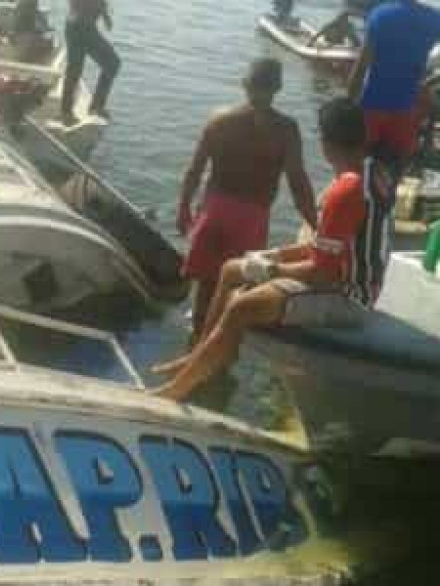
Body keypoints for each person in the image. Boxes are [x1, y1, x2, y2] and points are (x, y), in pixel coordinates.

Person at [154, 97, 395, 402]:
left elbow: (322, 274)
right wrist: (275, 255)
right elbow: (327, 247)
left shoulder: (345, 191)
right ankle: (198, 358)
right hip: (349, 279)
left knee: (241, 306)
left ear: (326, 143)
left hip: (348, 298)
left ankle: (179, 388)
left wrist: (269, 270)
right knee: (230, 269)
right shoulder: (377, 171)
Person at [177, 58, 317, 342]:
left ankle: (194, 344)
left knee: (205, 288)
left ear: (244, 84)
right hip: (251, 218)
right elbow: (298, 184)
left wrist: (183, 208)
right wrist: (317, 225)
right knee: (234, 293)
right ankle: (216, 350)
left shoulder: (220, 121)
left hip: (214, 212)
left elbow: (194, 170)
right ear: (278, 87)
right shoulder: (286, 130)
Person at [348, 0, 440, 162]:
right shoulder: (433, 19)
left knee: (356, 162)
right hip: (406, 109)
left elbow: (361, 65)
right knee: (396, 165)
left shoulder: (381, 15)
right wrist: (428, 83)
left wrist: (349, 103)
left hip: (373, 104)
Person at [60, 0, 120, 126]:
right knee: (112, 63)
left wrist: (105, 15)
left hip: (80, 26)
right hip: (81, 27)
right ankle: (91, 107)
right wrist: (104, 15)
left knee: (75, 70)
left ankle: (74, 110)